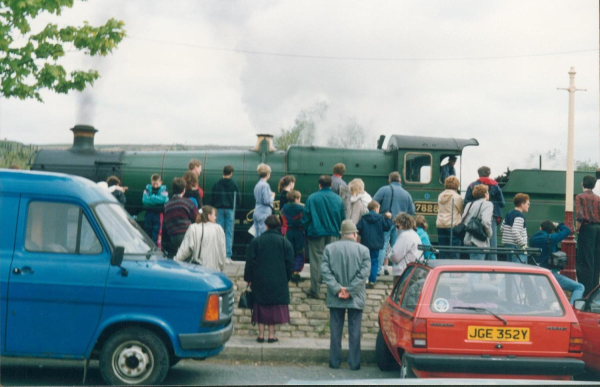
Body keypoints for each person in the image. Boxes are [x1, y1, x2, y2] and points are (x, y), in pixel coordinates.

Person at [321, 219, 370, 371]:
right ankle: (354, 363)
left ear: (341, 234)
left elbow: (325, 271)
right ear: (355, 234)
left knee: (335, 331)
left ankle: (334, 362)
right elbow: (364, 274)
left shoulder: (329, 248)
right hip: (356, 297)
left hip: (336, 296)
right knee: (355, 332)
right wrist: (350, 290)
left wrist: (337, 288)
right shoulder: (364, 250)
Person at [244, 215, 294, 343]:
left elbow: (250, 262)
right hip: (278, 280)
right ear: (278, 226)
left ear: (266, 225)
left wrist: (249, 278)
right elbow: (290, 264)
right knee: (273, 309)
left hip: (259, 279)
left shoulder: (256, 241)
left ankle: (261, 335)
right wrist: (285, 278)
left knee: (260, 307)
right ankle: (271, 336)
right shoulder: (285, 243)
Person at [302, 175, 346, 299]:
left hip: (316, 233)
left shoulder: (312, 198)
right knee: (332, 262)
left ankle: (315, 290)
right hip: (333, 234)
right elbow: (343, 217)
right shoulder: (338, 199)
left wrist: (306, 230)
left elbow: (305, 217)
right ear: (331, 185)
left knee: (316, 262)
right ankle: (333, 290)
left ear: (319, 185)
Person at [529, 220, 584, 304]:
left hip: (536, 273)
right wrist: (558, 225)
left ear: (540, 228)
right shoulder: (552, 238)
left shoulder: (532, 239)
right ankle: (572, 309)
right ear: (551, 230)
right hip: (550, 274)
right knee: (579, 287)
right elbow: (567, 230)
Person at [373, 171, 415, 276]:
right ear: (400, 181)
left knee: (383, 245)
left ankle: (378, 270)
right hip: (400, 225)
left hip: (386, 222)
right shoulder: (407, 194)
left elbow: (373, 203)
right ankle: (397, 271)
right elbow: (412, 211)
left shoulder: (384, 189)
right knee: (398, 247)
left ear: (389, 180)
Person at [464, 166, 506, 260]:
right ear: (489, 173)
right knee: (492, 246)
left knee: (475, 241)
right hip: (492, 216)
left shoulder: (472, 185)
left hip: (474, 217)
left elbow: (466, 201)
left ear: (478, 173)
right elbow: (502, 203)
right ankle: (492, 267)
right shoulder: (495, 185)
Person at [174, 205, 226, 271]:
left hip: (198, 269)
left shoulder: (193, 228)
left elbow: (184, 250)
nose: (215, 217)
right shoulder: (219, 229)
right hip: (215, 270)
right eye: (214, 215)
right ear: (209, 216)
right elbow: (222, 251)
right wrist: (222, 268)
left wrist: (175, 261)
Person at [356, 201, 392, 288]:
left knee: (365, 261)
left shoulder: (364, 217)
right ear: (376, 209)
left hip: (365, 243)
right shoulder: (380, 218)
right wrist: (388, 218)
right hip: (376, 244)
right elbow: (387, 227)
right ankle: (372, 280)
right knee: (374, 261)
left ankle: (365, 280)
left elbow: (358, 228)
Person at [575, 175, 600, 296]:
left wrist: (577, 229)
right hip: (597, 229)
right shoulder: (598, 198)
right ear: (594, 185)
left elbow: (580, 216)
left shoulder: (579, 197)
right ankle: (594, 291)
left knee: (584, 260)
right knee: (595, 260)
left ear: (582, 184)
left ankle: (585, 291)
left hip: (586, 229)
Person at [212, 165, 241, 261]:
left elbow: (213, 197)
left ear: (223, 172)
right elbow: (238, 200)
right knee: (229, 232)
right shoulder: (234, 184)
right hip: (230, 210)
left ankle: (218, 254)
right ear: (231, 173)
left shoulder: (217, 184)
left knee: (219, 232)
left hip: (219, 209)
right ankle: (227, 255)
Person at [164, 177, 199, 256]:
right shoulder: (187, 202)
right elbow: (197, 218)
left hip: (173, 236)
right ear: (184, 190)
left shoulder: (168, 204)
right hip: (186, 234)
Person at [463, 185, 493, 261]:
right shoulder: (488, 204)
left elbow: (464, 220)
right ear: (486, 194)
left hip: (468, 239)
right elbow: (486, 221)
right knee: (477, 269)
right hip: (479, 241)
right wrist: (489, 234)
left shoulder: (469, 204)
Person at [281, 190, 306, 284]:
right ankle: (296, 271)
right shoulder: (302, 208)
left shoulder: (284, 208)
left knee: (289, 250)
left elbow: (282, 219)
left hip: (288, 231)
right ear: (296, 199)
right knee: (300, 251)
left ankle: (289, 269)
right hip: (299, 232)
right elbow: (304, 220)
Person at [436, 176, 464, 258]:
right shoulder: (457, 197)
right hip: (452, 225)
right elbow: (461, 211)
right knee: (454, 251)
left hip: (440, 224)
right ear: (457, 185)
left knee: (442, 250)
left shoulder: (440, 195)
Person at [391, 213, 421, 283]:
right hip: (411, 270)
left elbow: (395, 255)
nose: (396, 229)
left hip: (402, 271)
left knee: (398, 292)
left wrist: (390, 255)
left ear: (403, 225)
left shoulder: (404, 236)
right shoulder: (414, 234)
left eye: (397, 226)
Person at [501, 193, 530, 263]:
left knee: (510, 269)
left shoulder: (509, 213)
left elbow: (502, 228)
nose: (528, 206)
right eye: (528, 204)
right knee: (520, 269)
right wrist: (523, 244)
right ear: (522, 205)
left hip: (508, 245)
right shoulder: (519, 216)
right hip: (517, 247)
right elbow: (515, 231)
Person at [142, 174, 169, 246]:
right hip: (149, 213)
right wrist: (156, 199)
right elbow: (145, 200)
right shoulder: (147, 189)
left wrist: (151, 197)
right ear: (151, 182)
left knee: (157, 232)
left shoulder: (164, 189)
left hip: (158, 214)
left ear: (161, 182)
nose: (155, 186)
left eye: (157, 184)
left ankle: (156, 248)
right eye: (153, 184)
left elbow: (163, 199)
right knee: (147, 231)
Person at [253, 163, 275, 237]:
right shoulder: (265, 185)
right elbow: (266, 200)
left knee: (257, 235)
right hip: (264, 212)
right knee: (264, 235)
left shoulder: (257, 185)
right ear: (268, 174)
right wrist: (272, 196)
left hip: (257, 211)